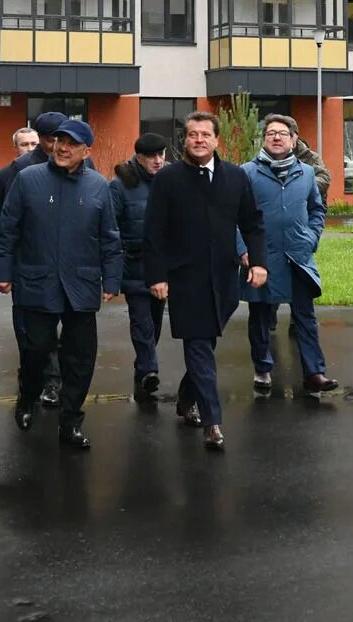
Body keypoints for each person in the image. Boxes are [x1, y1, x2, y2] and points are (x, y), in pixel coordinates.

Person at [0, 119, 121, 450]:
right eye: (59, 141)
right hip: (36, 282)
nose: (62, 148)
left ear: (86, 151)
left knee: (80, 358)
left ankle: (71, 421)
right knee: (35, 351)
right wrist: (1, 271)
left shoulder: (98, 186)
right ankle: (27, 396)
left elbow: (109, 237)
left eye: (71, 144)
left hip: (81, 285)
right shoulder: (28, 179)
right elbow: (7, 230)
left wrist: (113, 278)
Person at [143, 111, 267, 451]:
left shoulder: (236, 177)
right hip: (185, 278)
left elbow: (253, 223)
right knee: (199, 344)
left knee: (205, 344)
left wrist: (258, 263)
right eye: (192, 134)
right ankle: (212, 422)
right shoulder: (168, 179)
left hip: (225, 278)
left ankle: (185, 397)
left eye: (205, 135)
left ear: (216, 140)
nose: (199, 140)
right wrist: (156, 276)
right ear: (185, 140)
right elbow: (153, 232)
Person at [242, 114, 338, 395]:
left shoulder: (306, 173)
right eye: (270, 133)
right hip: (262, 257)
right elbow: (234, 215)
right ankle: (262, 369)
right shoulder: (247, 172)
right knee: (260, 315)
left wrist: (311, 237)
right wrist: (242, 250)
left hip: (298, 256)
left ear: (294, 140)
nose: (276, 137)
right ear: (264, 139)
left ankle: (314, 373)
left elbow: (317, 210)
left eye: (282, 133)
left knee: (305, 317)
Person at [0, 117, 64, 408]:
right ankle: (34, 375)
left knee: (58, 325)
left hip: (62, 262)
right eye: (28, 143)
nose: (35, 146)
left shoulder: (79, 165)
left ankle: (50, 379)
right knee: (28, 327)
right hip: (25, 263)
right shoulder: (13, 173)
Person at [110, 133, 166, 399]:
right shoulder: (121, 184)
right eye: (151, 157)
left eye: (161, 155)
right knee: (141, 319)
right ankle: (148, 369)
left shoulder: (168, 181)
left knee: (155, 321)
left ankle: (143, 365)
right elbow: (111, 226)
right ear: (139, 157)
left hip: (162, 265)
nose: (157, 161)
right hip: (134, 262)